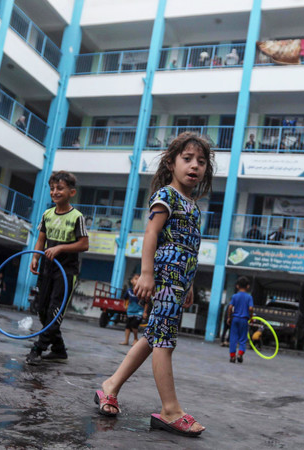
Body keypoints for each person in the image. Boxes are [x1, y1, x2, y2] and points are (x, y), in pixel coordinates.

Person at [94, 132, 214, 437]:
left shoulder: (194, 207)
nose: (194, 165)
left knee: (153, 336)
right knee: (163, 341)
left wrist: (188, 286)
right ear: (171, 163)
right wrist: (146, 273)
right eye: (187, 159)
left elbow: (190, 249)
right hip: (163, 276)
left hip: (179, 280)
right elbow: (151, 235)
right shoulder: (166, 196)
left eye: (201, 161)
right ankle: (170, 409)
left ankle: (111, 385)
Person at [26, 171, 89, 365]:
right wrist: (36, 257)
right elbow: (41, 239)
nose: (55, 192)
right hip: (47, 268)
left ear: (71, 192)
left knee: (55, 310)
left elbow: (84, 244)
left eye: (59, 188)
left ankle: (38, 348)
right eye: (52, 188)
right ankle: (59, 349)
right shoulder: (47, 214)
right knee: (42, 310)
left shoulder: (77, 217)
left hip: (66, 271)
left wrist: (60, 247)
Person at [227, 277, 254, 363]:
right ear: (248, 286)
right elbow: (250, 308)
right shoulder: (249, 297)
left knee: (233, 338)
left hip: (235, 319)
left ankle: (232, 357)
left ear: (237, 286)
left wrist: (229, 317)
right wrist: (251, 317)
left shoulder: (235, 296)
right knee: (243, 338)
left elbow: (230, 307)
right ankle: (240, 354)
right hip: (244, 320)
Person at [120, 274, 146, 346]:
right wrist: (125, 305)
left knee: (134, 325)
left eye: (139, 279)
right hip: (130, 312)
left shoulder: (142, 291)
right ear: (131, 281)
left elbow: (146, 302)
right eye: (136, 278)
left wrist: (145, 312)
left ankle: (135, 339)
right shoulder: (129, 291)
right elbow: (125, 299)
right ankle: (126, 341)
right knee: (128, 326)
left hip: (139, 312)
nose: (137, 280)